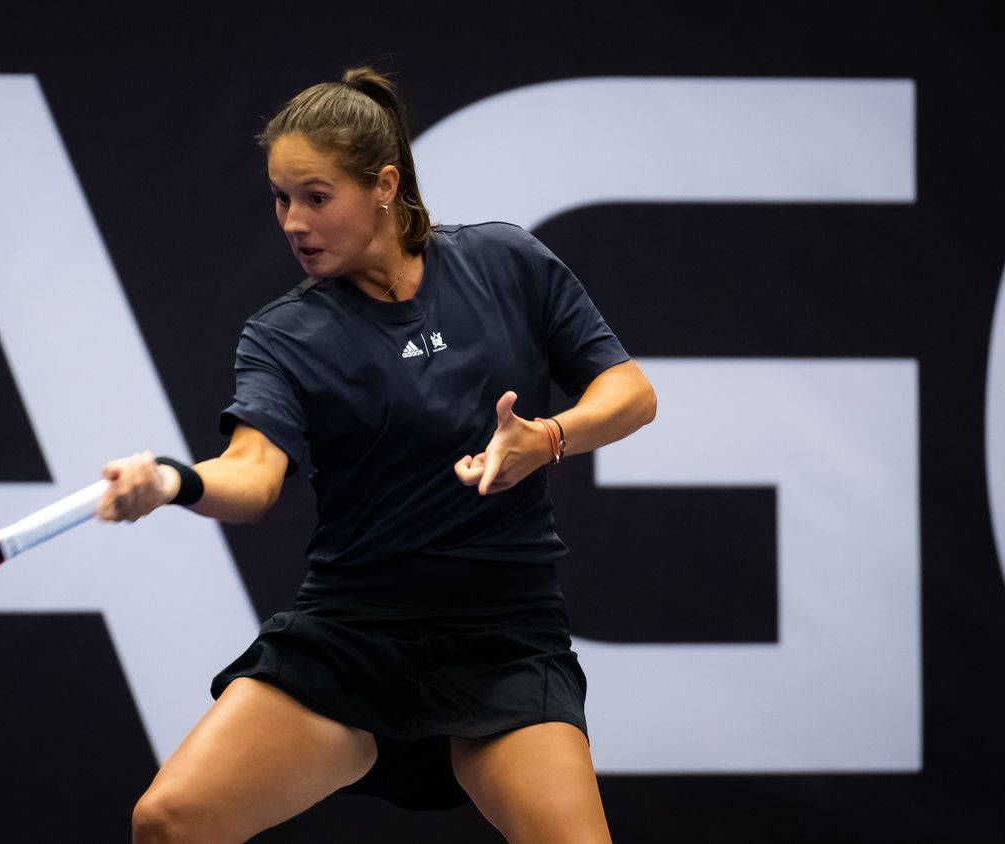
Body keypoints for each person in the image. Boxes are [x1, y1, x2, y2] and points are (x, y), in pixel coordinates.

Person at [103, 66, 655, 843]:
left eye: (316, 197)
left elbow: (631, 393)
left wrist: (550, 438)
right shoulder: (283, 334)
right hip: (355, 636)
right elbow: (254, 476)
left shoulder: (506, 263)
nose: (293, 221)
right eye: (280, 198)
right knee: (169, 821)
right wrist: (171, 479)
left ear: (385, 185)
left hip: (501, 633)